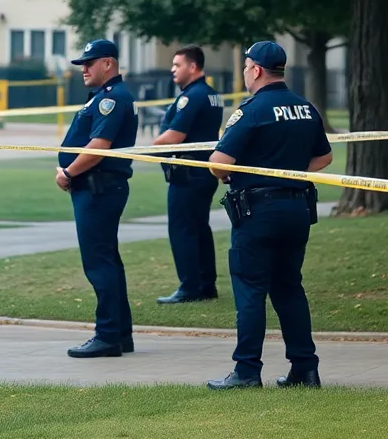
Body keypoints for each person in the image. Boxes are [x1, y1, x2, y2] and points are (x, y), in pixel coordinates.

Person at [205, 41, 333, 391]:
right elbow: (324, 158)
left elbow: (219, 163)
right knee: (289, 287)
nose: (245, 73)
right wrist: (287, 173)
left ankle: (247, 370)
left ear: (256, 70)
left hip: (258, 210)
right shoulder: (306, 109)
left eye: (246, 67)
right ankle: (305, 369)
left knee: (249, 289)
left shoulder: (252, 110)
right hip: (296, 208)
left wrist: (250, 174)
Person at [56, 39, 138, 358]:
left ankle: (107, 335)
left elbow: (99, 146)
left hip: (97, 187)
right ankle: (119, 332)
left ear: (109, 63)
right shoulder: (102, 97)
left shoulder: (112, 98)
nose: (84, 69)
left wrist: (68, 173)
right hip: (96, 187)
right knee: (108, 260)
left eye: (89, 63)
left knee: (99, 262)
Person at [150, 45, 225, 304]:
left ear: (193, 67)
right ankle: (206, 284)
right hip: (203, 172)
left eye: (177, 65)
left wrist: (146, 150)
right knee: (199, 228)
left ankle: (189, 286)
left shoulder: (191, 97)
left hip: (188, 173)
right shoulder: (211, 94)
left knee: (182, 229)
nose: (172, 69)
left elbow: (175, 136)